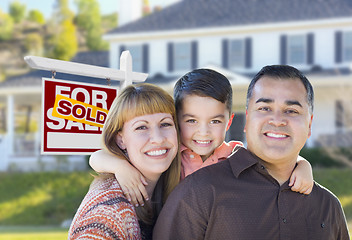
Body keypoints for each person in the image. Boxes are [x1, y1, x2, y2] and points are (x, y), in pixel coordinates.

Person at [152, 65, 350, 240]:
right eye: (264, 108)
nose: (277, 120)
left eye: (291, 111)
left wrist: (303, 163)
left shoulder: (328, 206)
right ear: (246, 120)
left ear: (309, 125)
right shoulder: (197, 191)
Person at [89, 68, 314, 207]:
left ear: (229, 121)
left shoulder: (236, 155)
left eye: (215, 121)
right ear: (176, 121)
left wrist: (303, 165)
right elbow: (97, 157)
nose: (203, 132)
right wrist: (121, 168)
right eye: (191, 121)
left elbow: (273, 162)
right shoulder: (169, 155)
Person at [68, 83, 181, 240]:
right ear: (121, 140)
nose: (158, 138)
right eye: (141, 127)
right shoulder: (106, 214)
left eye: (165, 124)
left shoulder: (176, 187)